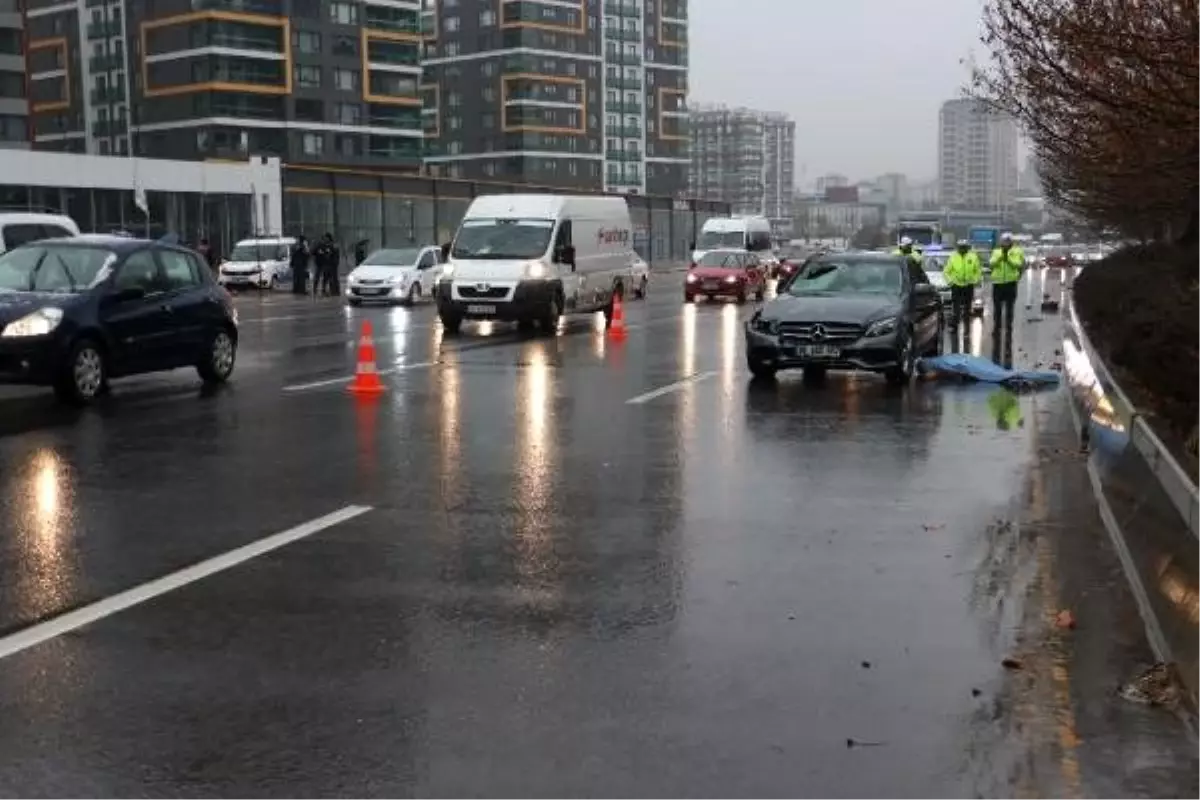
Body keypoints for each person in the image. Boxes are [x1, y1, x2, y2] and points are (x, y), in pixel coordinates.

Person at [989, 232, 1025, 335]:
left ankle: (1009, 327)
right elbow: (992, 264)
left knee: (1010, 307)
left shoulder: (1017, 252)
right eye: (1004, 241)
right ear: (1001, 242)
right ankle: (997, 327)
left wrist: (1007, 258)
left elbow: (1018, 264)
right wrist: (1001, 257)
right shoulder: (996, 252)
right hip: (998, 283)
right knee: (997, 307)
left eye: (1008, 241)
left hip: (1010, 283)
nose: (1006, 243)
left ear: (1011, 242)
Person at [944, 239, 982, 330]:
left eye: (964, 247)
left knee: (968, 306)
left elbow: (978, 271)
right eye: (960, 247)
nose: (962, 249)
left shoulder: (973, 257)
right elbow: (946, 271)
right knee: (956, 307)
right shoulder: (953, 257)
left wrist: (975, 280)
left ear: (967, 247)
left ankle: (967, 326)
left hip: (968, 285)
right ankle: (955, 324)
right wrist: (950, 282)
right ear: (958, 247)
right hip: (956, 285)